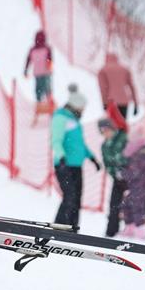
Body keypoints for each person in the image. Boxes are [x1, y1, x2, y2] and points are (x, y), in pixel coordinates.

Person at [50, 85, 100, 230]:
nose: (83, 111)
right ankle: (59, 227)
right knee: (70, 196)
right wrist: (62, 157)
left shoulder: (75, 121)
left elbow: (80, 144)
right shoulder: (60, 118)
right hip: (64, 165)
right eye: (82, 108)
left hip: (76, 166)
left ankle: (72, 227)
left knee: (76, 198)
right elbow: (56, 140)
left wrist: (92, 158)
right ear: (75, 106)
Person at [119, 136, 145, 238]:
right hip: (134, 186)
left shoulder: (141, 156)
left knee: (137, 207)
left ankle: (141, 230)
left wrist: (123, 173)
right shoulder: (136, 155)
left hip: (140, 186)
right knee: (126, 204)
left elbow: (134, 172)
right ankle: (130, 226)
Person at [98, 52, 138, 119]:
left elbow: (103, 89)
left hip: (111, 102)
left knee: (112, 125)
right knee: (122, 123)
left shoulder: (103, 70)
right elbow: (132, 86)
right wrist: (136, 104)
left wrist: (104, 103)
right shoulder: (125, 69)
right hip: (124, 102)